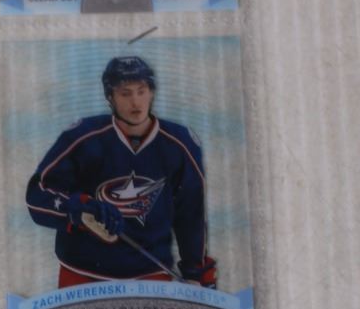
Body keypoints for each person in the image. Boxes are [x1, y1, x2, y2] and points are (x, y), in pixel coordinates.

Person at [25, 55, 217, 288]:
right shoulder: (82, 138)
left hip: (150, 273)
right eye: (125, 93)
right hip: (82, 273)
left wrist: (195, 272)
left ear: (152, 92)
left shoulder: (180, 143)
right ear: (110, 97)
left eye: (141, 91)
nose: (135, 102)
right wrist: (79, 208)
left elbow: (191, 213)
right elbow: (37, 196)